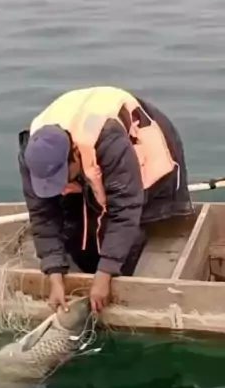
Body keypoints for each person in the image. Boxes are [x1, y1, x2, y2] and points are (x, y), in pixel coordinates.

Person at [18, 86, 193, 314]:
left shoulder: (109, 141)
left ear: (75, 154)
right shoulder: (32, 153)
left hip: (143, 141)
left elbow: (125, 208)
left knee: (136, 221)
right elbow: (42, 215)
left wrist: (105, 274)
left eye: (62, 178)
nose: (59, 188)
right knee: (75, 223)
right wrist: (54, 273)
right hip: (86, 138)